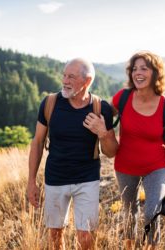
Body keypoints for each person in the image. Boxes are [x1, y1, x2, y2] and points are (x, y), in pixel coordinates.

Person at [87, 51, 165, 249]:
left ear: (156, 73)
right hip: (125, 166)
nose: (138, 72)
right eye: (135, 69)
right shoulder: (123, 98)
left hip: (156, 167)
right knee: (130, 212)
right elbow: (102, 113)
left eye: (144, 68)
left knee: (152, 212)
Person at [27, 58, 118, 250]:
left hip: (87, 179)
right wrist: (31, 180)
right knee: (55, 236)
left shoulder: (101, 108)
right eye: (64, 75)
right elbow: (37, 142)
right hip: (55, 178)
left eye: (71, 77)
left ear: (87, 81)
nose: (65, 81)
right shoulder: (50, 103)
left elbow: (111, 152)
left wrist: (102, 132)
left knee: (85, 237)